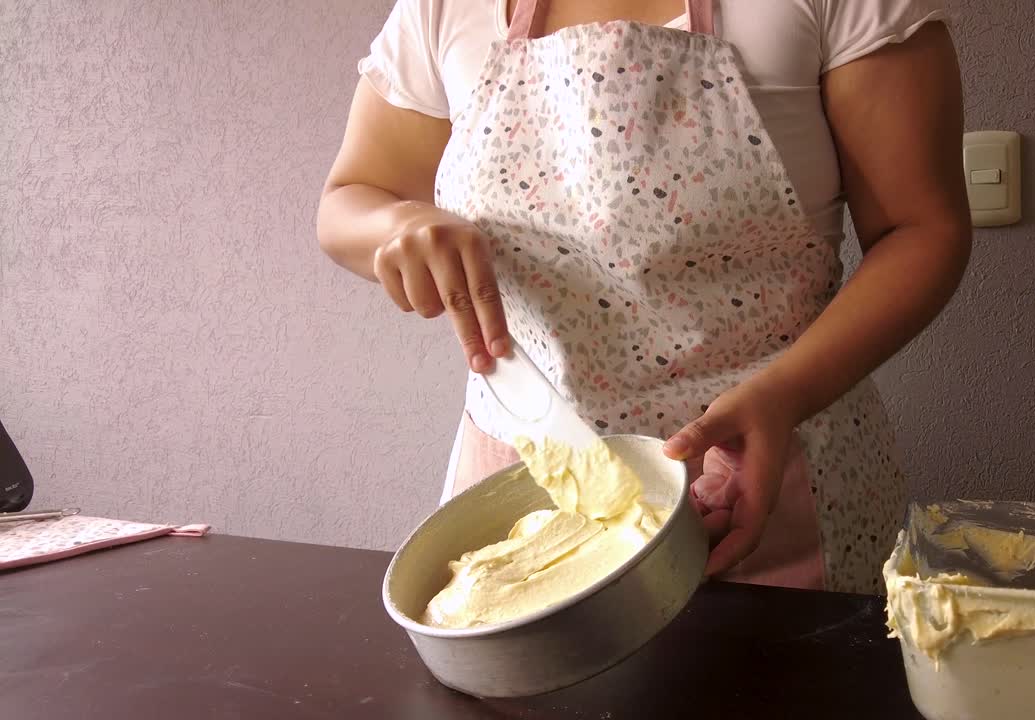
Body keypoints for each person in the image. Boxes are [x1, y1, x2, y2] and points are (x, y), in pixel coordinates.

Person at [318, 0, 970, 594]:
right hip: (525, 500)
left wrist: (783, 396)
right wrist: (399, 226)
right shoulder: (443, 10)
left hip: (778, 490)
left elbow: (921, 228)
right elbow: (353, 195)